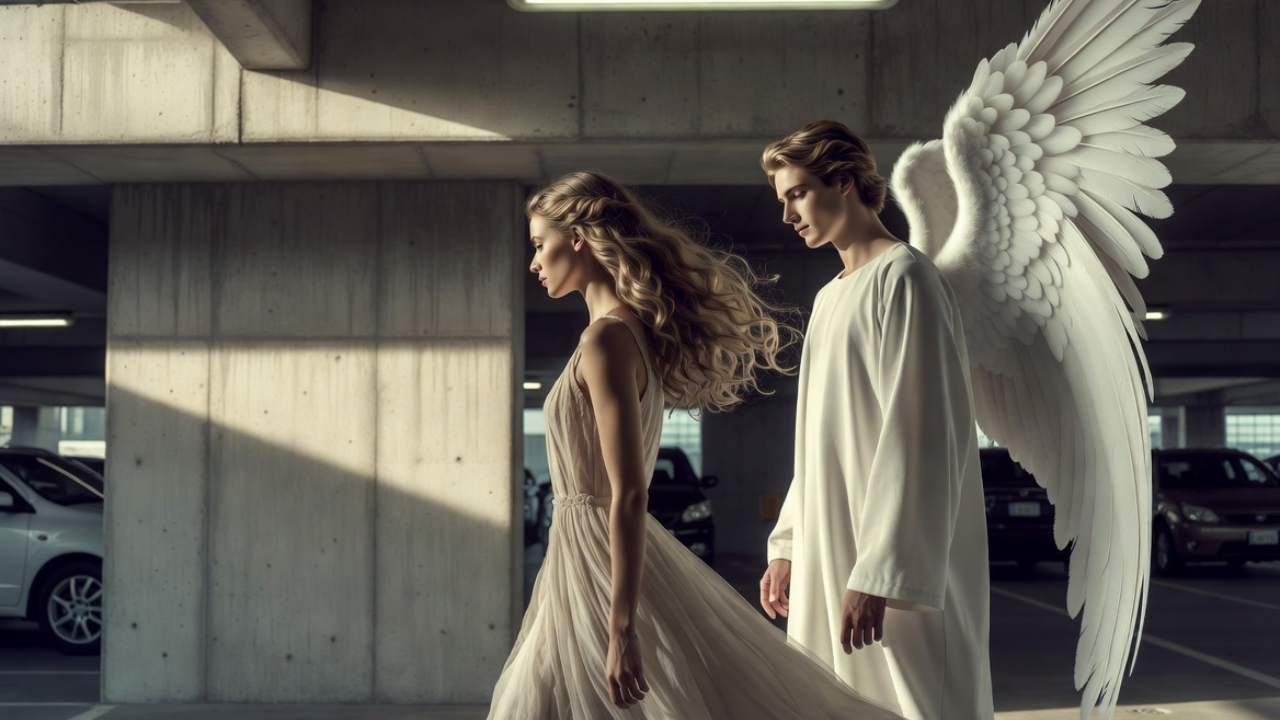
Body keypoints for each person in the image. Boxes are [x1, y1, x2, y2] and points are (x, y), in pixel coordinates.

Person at [487, 170, 905, 720]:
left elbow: (629, 494)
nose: (535, 262)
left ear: (580, 238)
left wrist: (621, 628)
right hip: (576, 558)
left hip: (594, 559)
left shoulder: (607, 338)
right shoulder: (625, 332)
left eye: (541, 244)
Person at [757, 122, 995, 720]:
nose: (787, 215)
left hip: (892, 564)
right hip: (830, 542)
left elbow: (922, 433)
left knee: (917, 704)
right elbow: (817, 439)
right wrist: (788, 542)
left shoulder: (906, 278)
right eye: (782, 200)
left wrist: (883, 571)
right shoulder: (830, 296)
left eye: (797, 194)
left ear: (843, 182)